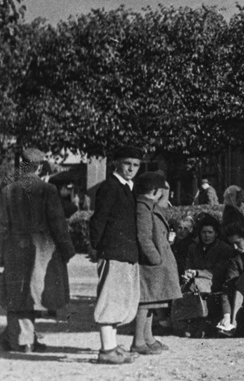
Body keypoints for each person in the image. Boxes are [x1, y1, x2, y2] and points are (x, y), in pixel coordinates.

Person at [0, 149, 76, 352]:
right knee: (34, 293)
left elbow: (2, 225)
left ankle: (20, 337)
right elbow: (58, 222)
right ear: (40, 167)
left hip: (15, 247)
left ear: (21, 166)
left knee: (16, 292)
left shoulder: (8, 190)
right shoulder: (48, 189)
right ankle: (23, 340)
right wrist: (67, 249)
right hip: (42, 247)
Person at [89, 146, 143, 364]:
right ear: (116, 164)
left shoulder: (127, 187)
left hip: (124, 252)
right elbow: (98, 219)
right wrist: (95, 247)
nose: (131, 169)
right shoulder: (110, 187)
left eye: (136, 165)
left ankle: (111, 345)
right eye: (127, 163)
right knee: (110, 300)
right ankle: (106, 349)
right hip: (112, 251)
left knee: (119, 300)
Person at [133, 172, 181, 354]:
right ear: (156, 190)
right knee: (145, 302)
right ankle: (139, 341)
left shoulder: (148, 205)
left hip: (153, 261)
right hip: (148, 263)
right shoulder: (143, 207)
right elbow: (143, 237)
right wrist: (156, 258)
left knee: (152, 302)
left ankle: (148, 338)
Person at [179, 216, 236, 334]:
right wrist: (188, 273)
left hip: (216, 282)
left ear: (216, 233)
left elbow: (219, 271)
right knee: (186, 287)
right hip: (195, 283)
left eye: (210, 232)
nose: (206, 235)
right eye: (203, 232)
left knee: (195, 287)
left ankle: (197, 323)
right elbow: (188, 265)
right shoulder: (193, 248)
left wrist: (197, 273)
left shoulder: (224, 249)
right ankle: (187, 321)